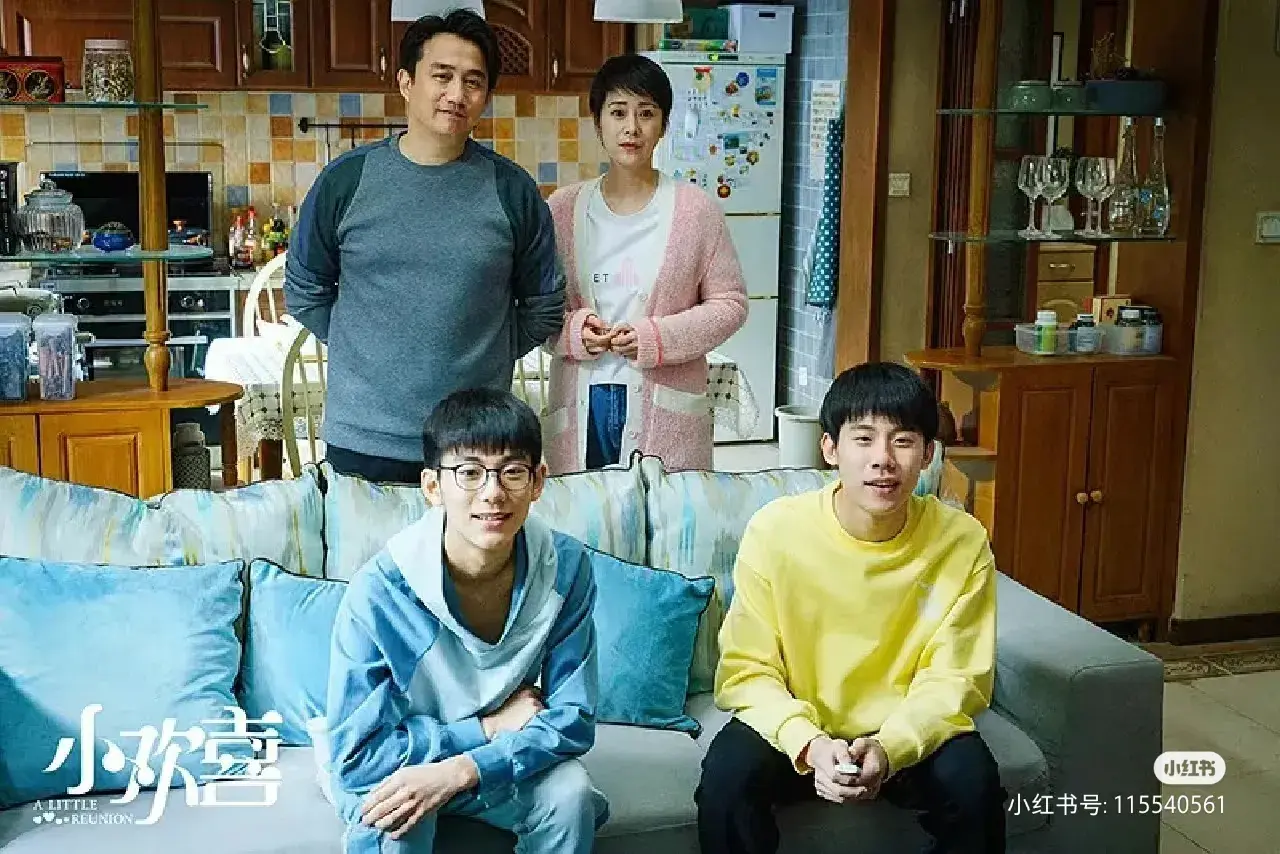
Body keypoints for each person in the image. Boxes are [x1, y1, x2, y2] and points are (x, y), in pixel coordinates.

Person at [696, 362, 1005, 854]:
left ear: (928, 453)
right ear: (830, 448)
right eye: (863, 439)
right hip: (799, 726)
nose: (882, 460)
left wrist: (890, 747)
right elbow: (746, 670)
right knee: (727, 780)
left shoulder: (960, 541)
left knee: (975, 785)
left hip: (904, 727)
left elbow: (955, 677)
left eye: (903, 441)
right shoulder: (776, 532)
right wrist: (809, 743)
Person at [285, 11, 565, 484]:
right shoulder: (346, 181)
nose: (457, 94)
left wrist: (488, 350)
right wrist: (367, 348)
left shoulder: (512, 190)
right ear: (406, 82)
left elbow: (544, 305)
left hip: (475, 445)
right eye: (442, 76)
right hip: (363, 439)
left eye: (473, 82)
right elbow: (304, 290)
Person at [323, 388, 607, 853]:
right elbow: (358, 759)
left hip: (488, 758)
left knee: (570, 795)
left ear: (538, 481)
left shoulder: (565, 567)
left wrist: (465, 768)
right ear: (432, 487)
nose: (493, 493)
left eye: (512, 472)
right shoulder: (381, 592)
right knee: (397, 817)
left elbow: (572, 718)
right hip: (401, 762)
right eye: (469, 473)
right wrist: (486, 729)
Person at [544, 54, 747, 474]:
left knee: (662, 512)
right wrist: (574, 332)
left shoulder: (695, 211)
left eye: (647, 113)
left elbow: (730, 304)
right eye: (618, 112)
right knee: (585, 510)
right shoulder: (561, 210)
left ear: (664, 125)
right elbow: (535, 307)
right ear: (598, 121)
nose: (632, 128)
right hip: (582, 400)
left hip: (665, 407)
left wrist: (656, 338)